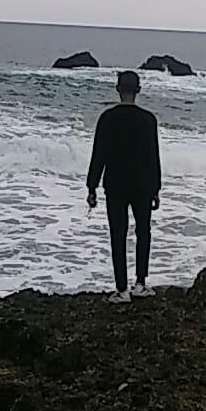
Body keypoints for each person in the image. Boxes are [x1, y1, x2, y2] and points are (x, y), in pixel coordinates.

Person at [86, 69, 161, 304]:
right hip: (143, 185)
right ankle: (140, 284)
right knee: (143, 232)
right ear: (138, 91)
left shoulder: (107, 118)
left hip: (115, 184)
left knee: (118, 234)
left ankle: (121, 289)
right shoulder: (148, 120)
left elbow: (99, 154)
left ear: (118, 89)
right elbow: (153, 156)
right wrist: (156, 189)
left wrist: (91, 187)